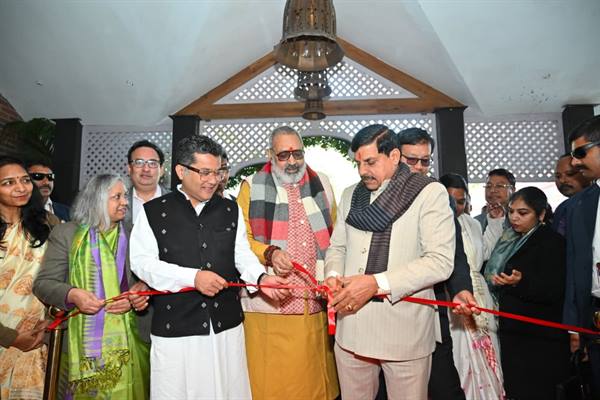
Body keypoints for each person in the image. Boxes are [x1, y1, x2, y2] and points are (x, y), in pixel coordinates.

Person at [129, 135, 289, 399]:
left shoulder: (230, 209)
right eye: (204, 172)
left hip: (226, 328)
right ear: (181, 171)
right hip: (177, 330)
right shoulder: (153, 212)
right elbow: (142, 263)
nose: (213, 180)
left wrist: (261, 279)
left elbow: (241, 254)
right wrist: (193, 278)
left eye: (218, 172)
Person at [324, 124, 455, 399]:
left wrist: (376, 283)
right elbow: (338, 247)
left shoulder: (429, 193)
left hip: (403, 331)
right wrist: (333, 276)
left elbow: (440, 261)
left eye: (370, 162)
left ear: (394, 156)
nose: (362, 171)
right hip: (352, 328)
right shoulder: (350, 194)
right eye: (358, 163)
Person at [237, 126, 339, 400]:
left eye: (297, 154)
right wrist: (269, 253)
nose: (292, 161)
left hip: (313, 302)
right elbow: (241, 241)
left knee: (313, 384)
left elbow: (336, 236)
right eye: (284, 155)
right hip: (269, 305)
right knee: (271, 384)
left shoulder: (322, 184)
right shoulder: (251, 186)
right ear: (270, 154)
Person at [33, 173, 151, 399]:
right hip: (76, 343)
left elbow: (146, 279)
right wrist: (72, 294)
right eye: (117, 197)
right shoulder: (67, 234)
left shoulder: (135, 233)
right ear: (97, 200)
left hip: (130, 342)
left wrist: (140, 292)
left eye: (125, 196)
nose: (125, 202)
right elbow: (43, 284)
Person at [396, 128, 476, 400]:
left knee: (443, 385)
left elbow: (455, 253)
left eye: (425, 160)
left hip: (433, 304)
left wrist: (461, 289)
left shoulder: (439, 196)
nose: (419, 167)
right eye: (411, 160)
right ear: (395, 157)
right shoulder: (378, 194)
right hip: (391, 307)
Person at [486, 187, 569, 399]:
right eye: (511, 211)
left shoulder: (552, 242)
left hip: (539, 336)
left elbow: (554, 289)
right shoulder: (509, 239)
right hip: (513, 331)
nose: (514, 217)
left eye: (523, 213)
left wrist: (521, 282)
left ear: (541, 215)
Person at [440, 173, 504, 399]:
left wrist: (494, 222)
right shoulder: (436, 224)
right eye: (450, 201)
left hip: (481, 295)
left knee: (489, 346)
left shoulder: (473, 223)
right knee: (461, 353)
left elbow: (484, 252)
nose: (456, 207)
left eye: (460, 201)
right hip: (454, 295)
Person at [0, 156, 52, 399]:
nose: (21, 188)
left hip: (33, 340)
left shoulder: (47, 225)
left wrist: (49, 322)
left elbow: (58, 278)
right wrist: (10, 337)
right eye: (8, 183)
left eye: (25, 180)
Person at [564, 114, 600, 399]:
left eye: (580, 153)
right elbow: (575, 270)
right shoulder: (580, 205)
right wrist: (574, 327)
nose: (574, 163)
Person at [125, 140, 169, 225]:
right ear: (129, 169)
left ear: (161, 170)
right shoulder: (118, 202)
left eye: (152, 163)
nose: (146, 169)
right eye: (139, 163)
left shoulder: (178, 203)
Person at [552, 153, 592, 236]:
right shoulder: (561, 209)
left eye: (570, 174)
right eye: (558, 176)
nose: (562, 180)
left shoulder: (595, 204)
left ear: (585, 173)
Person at [475, 168, 516, 235]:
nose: (492, 190)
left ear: (512, 190)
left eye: (499, 186)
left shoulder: (518, 220)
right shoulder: (476, 222)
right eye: (489, 186)